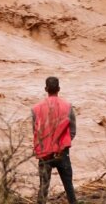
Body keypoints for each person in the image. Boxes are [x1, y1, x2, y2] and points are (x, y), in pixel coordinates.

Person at [32, 76, 78, 204]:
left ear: (46, 89)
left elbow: (35, 131)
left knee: (43, 188)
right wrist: (62, 144)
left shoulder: (35, 109)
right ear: (59, 89)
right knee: (69, 187)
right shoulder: (68, 106)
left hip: (44, 153)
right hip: (62, 152)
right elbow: (73, 131)